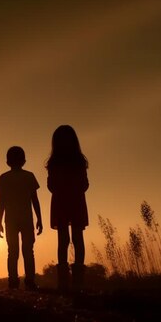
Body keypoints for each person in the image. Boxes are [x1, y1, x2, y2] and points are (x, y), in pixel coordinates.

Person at [46, 125, 89, 293]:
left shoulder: (54, 162)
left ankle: (65, 282)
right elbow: (85, 184)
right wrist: (74, 189)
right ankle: (76, 281)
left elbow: (51, 185)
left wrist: (62, 189)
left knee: (64, 239)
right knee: (75, 238)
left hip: (63, 201)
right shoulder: (78, 160)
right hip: (74, 200)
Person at [0, 146, 43, 290]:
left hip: (10, 220)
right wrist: (39, 219)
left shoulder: (4, 178)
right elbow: (35, 200)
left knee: (12, 251)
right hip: (26, 218)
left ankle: (13, 282)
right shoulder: (29, 176)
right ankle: (29, 281)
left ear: (7, 161)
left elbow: (1, 202)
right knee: (28, 251)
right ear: (24, 160)